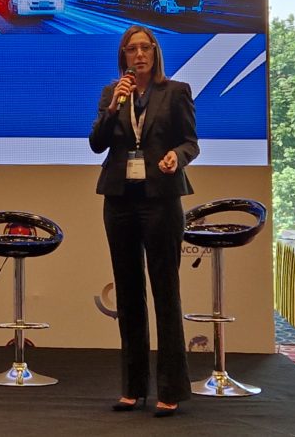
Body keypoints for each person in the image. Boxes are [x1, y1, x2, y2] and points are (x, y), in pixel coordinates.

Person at [89, 25, 199, 417]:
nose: (139, 55)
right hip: (119, 200)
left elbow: (190, 142)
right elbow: (97, 144)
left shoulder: (176, 91)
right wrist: (113, 109)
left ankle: (170, 389)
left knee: (166, 293)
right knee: (129, 294)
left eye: (145, 48)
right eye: (131, 49)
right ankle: (133, 388)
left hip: (161, 200)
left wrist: (176, 157)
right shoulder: (112, 93)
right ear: (123, 56)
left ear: (154, 53)